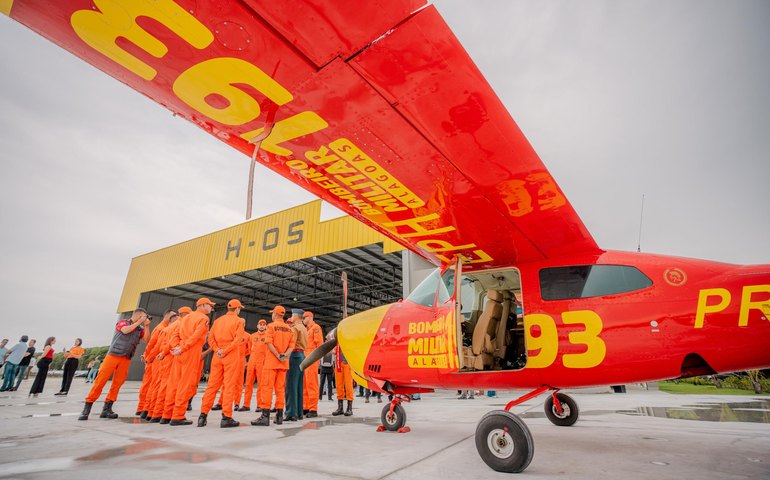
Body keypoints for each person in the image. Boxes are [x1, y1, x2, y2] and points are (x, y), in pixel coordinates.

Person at [78, 309, 150, 420]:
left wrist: (146, 326)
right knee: (100, 381)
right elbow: (125, 331)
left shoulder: (139, 328)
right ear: (138, 315)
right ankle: (87, 407)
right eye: (144, 316)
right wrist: (138, 322)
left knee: (117, 383)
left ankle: (107, 408)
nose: (145, 318)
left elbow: (146, 339)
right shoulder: (123, 322)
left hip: (126, 358)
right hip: (113, 356)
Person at [197, 299, 245, 428]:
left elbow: (210, 338)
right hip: (231, 355)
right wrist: (226, 350)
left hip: (217, 356)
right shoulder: (239, 321)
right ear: (237, 309)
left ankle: (202, 416)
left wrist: (218, 350)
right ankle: (226, 417)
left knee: (212, 386)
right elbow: (238, 339)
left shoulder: (217, 321)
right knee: (229, 386)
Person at [167, 298, 212, 426]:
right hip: (191, 351)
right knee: (185, 384)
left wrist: (177, 347)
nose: (211, 308)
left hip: (180, 351)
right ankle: (178, 416)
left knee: (174, 383)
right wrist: (183, 347)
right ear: (202, 305)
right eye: (209, 305)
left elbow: (175, 334)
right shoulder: (203, 319)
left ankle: (167, 414)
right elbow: (196, 336)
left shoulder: (185, 318)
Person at [251, 305, 294, 427]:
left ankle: (265, 416)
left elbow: (268, 342)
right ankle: (279, 416)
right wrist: (284, 355)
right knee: (280, 390)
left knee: (267, 388)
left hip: (271, 363)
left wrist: (277, 355)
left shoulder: (270, 326)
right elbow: (292, 345)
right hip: (283, 364)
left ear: (275, 314)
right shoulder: (289, 329)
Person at [145, 307, 185, 422]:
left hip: (160, 358)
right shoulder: (176, 326)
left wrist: (149, 357)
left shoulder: (165, 328)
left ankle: (150, 411)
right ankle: (160, 413)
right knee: (166, 387)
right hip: (169, 358)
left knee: (157, 385)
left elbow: (155, 345)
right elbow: (170, 343)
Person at [135, 310, 176, 417]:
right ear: (168, 317)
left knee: (150, 385)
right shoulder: (162, 328)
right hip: (156, 359)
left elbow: (151, 344)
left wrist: (147, 355)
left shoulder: (161, 328)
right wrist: (148, 357)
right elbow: (154, 345)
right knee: (152, 385)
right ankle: (145, 408)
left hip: (154, 358)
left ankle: (145, 408)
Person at [239, 319, 268, 411]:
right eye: (260, 324)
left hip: (262, 362)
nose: (262, 326)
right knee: (248, 383)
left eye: (264, 324)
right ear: (257, 326)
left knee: (261, 384)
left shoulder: (268, 336)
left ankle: (260, 405)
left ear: (266, 326)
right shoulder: (252, 336)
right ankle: (246, 405)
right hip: (252, 361)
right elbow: (248, 348)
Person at [284, 309, 307, 422]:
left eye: (292, 315)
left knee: (291, 385)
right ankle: (299, 412)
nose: (291, 317)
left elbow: (290, 344)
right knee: (298, 385)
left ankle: (291, 413)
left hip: (294, 356)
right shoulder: (303, 328)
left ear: (296, 316)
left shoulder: (295, 328)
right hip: (302, 356)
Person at [302, 311, 323, 417]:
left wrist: (316, 360)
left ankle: (313, 409)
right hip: (306, 360)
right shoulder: (307, 330)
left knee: (312, 384)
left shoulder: (315, 328)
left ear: (310, 317)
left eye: (304, 318)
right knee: (305, 385)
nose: (303, 320)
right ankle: (306, 407)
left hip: (312, 360)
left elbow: (319, 346)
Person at [332, 344, 353, 416]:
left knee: (348, 385)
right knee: (338, 385)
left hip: (347, 363)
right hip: (338, 363)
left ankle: (349, 408)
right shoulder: (337, 335)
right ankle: (340, 408)